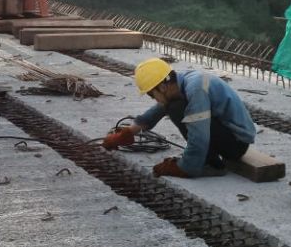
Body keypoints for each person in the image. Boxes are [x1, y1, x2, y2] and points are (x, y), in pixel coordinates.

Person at [102, 58, 256, 178]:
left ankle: (211, 165)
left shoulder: (196, 89)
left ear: (162, 87)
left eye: (151, 94)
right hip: (227, 133)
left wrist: (184, 167)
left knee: (175, 108)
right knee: (172, 105)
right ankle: (204, 160)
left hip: (236, 144)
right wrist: (128, 132)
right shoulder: (181, 82)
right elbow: (159, 109)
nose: (153, 99)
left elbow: (199, 134)